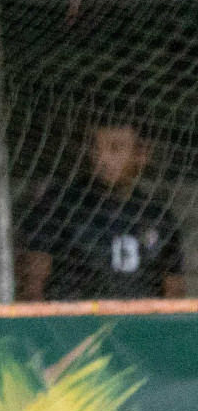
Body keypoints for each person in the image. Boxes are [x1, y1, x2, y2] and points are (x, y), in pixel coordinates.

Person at [19, 117, 184, 301]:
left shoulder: (159, 217)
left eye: (115, 148)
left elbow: (174, 289)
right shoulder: (60, 205)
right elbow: (33, 284)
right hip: (76, 324)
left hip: (141, 326)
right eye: (96, 148)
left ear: (142, 153)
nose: (102, 158)